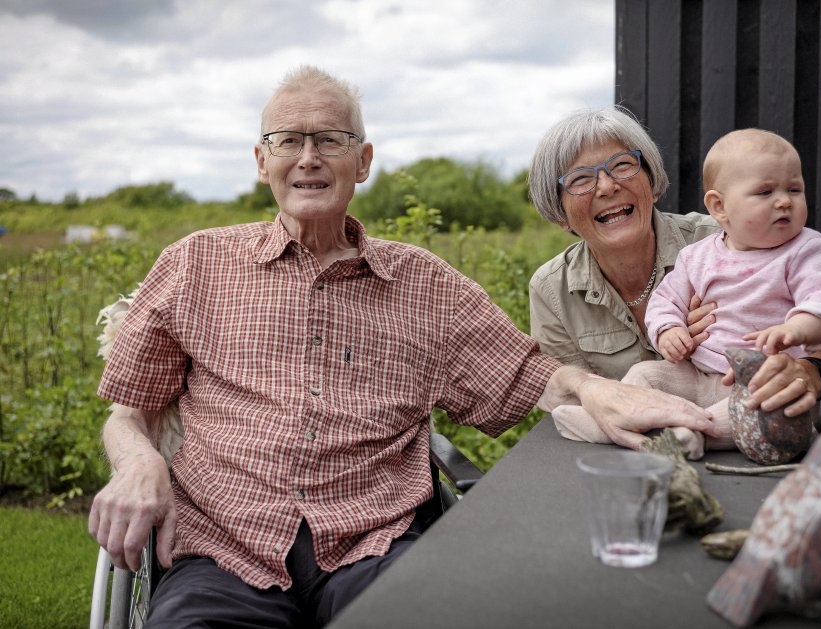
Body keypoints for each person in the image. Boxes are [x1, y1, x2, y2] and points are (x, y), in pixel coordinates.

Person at [88, 67, 720, 628]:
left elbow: (533, 373)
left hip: (377, 543)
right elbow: (129, 410)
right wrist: (139, 463)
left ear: (362, 162)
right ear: (263, 161)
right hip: (223, 552)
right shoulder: (195, 263)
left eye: (330, 140)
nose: (309, 157)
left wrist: (595, 390)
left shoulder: (420, 281)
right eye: (289, 141)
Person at [528, 105, 821, 452]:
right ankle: (668, 432)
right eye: (580, 179)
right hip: (633, 460)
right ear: (560, 214)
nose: (606, 186)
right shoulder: (552, 289)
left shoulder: (731, 239)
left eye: (622, 165)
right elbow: (566, 389)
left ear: (651, 181)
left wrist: (809, 374)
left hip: (745, 414)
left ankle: (687, 432)